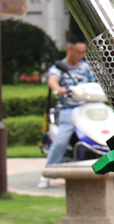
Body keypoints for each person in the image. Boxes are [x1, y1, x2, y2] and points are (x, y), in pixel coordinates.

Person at [40, 33, 96, 184]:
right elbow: (52, 81)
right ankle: (47, 174)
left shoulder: (86, 67)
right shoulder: (59, 67)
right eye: (78, 52)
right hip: (69, 111)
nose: (81, 55)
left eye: (83, 52)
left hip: (87, 110)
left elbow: (96, 83)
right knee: (60, 142)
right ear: (69, 49)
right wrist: (59, 89)